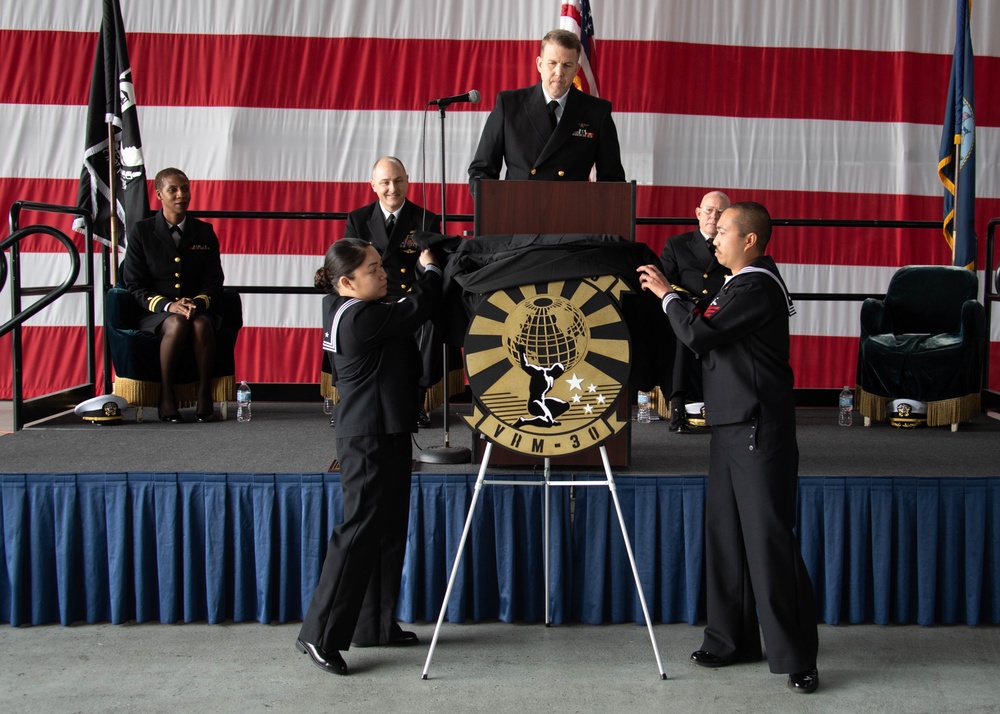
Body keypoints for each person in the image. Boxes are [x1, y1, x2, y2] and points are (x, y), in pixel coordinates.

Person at [637, 202, 820, 694]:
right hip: (732, 426)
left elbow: (700, 333)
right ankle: (729, 640)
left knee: (768, 543)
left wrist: (664, 296)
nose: (713, 240)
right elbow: (706, 319)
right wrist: (675, 296)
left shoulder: (757, 284)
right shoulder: (738, 281)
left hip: (758, 430)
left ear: (751, 241)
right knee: (727, 538)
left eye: (723, 233)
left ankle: (798, 656)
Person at [297, 237, 442, 676]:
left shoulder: (342, 305)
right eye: (374, 269)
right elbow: (418, 307)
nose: (384, 273)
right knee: (358, 532)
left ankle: (374, 625)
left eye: (382, 265)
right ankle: (317, 635)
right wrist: (431, 269)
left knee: (386, 530)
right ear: (346, 281)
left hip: (387, 429)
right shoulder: (361, 317)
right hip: (366, 438)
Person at [340, 156, 442, 428]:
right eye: (384, 182)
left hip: (409, 297)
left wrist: (414, 299)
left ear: (408, 180)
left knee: (429, 321)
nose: (392, 189)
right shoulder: (358, 219)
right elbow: (349, 266)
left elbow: (428, 266)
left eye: (398, 181)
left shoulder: (425, 219)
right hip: (371, 298)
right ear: (373, 185)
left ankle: (417, 400)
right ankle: (353, 399)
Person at [121, 167, 224, 423]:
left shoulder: (204, 231)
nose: (181, 195)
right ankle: (166, 394)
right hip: (156, 313)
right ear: (159, 194)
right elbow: (133, 283)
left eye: (185, 188)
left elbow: (214, 281)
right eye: (173, 189)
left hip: (196, 308)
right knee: (177, 323)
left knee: (200, 324)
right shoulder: (142, 231)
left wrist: (197, 303)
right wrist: (168, 306)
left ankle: (203, 393)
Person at [467, 29, 626, 195]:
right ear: (539, 64)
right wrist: (497, 212)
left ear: (577, 69)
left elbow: (612, 181)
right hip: (517, 214)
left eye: (567, 65)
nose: (559, 72)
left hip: (572, 216)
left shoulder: (596, 112)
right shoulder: (509, 105)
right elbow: (481, 171)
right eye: (552, 63)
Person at [659, 191, 731, 433]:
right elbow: (665, 283)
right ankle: (678, 405)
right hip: (684, 309)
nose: (713, 216)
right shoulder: (677, 244)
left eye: (720, 212)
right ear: (698, 213)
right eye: (709, 210)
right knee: (684, 331)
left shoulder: (733, 245)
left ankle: (723, 407)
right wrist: (688, 304)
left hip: (721, 311)